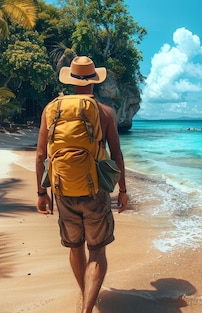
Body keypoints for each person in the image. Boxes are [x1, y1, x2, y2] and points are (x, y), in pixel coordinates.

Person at [35, 56, 128, 313]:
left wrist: (41, 192)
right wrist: (123, 190)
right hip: (95, 189)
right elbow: (116, 155)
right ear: (94, 81)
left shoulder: (51, 109)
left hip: (62, 188)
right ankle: (86, 309)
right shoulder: (105, 112)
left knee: (75, 247)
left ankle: (85, 296)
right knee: (97, 251)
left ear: (71, 80)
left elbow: (41, 155)